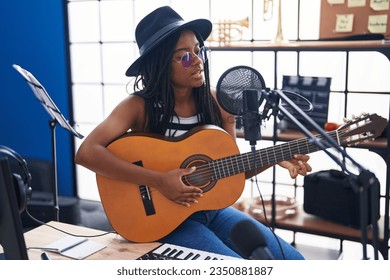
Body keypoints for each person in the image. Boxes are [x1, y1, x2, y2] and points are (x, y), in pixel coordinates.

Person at [75, 6, 312, 260]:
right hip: (165, 220)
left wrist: (273, 158)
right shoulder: (137, 107)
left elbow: (229, 171)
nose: (198, 61)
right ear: (160, 64)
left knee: (295, 261)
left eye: (199, 51)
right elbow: (87, 153)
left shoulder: (215, 102)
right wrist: (158, 180)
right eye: (185, 57)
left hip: (214, 211)